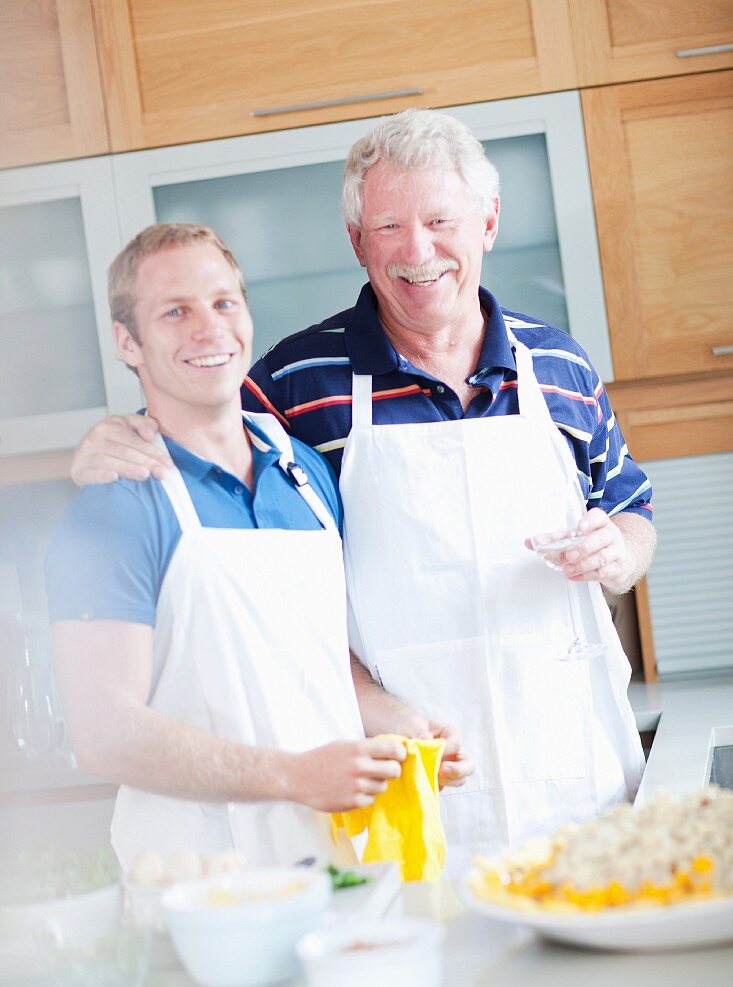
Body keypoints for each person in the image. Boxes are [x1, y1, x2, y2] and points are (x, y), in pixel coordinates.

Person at [70, 110, 656, 866]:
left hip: (579, 776)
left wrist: (621, 551)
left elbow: (630, 508)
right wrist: (102, 443)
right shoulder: (291, 384)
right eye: (387, 227)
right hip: (401, 785)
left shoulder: (563, 365)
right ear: (356, 241)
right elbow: (193, 441)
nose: (417, 252)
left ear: (487, 221)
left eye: (440, 219)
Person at [46, 223, 471, 871]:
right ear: (127, 342)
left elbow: (314, 660)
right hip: (203, 883)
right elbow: (104, 734)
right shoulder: (116, 507)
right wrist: (293, 776)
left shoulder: (302, 473)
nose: (208, 329)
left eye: (223, 303)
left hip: (331, 858)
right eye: (174, 312)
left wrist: (395, 724)